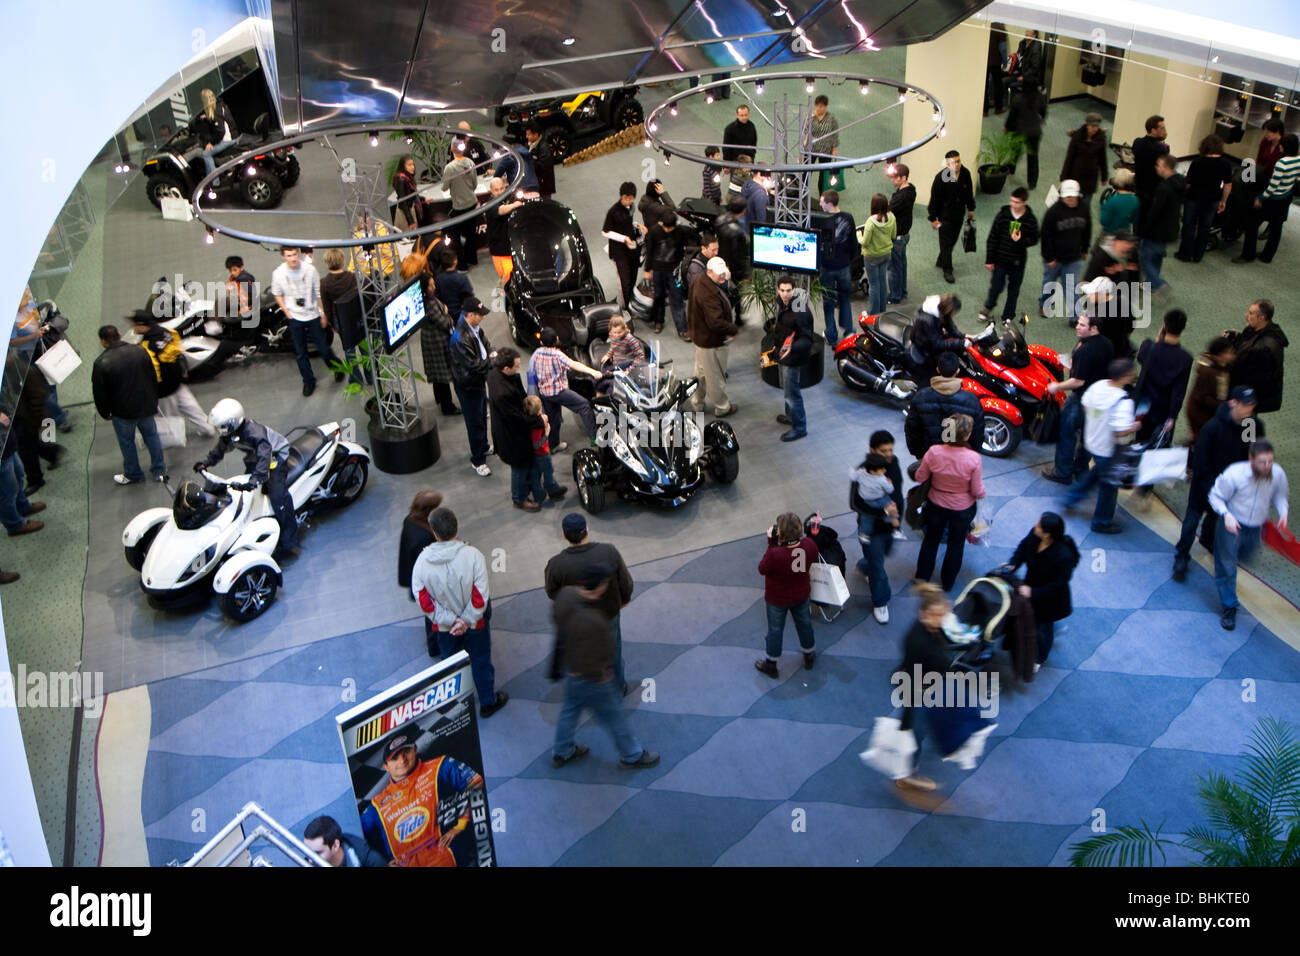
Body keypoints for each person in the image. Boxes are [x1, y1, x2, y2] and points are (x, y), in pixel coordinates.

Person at [550, 563, 658, 769]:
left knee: (570, 710)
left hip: (569, 667)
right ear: (599, 587)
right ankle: (632, 755)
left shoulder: (564, 596)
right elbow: (605, 654)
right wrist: (604, 675)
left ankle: (562, 751)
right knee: (614, 716)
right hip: (592, 678)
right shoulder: (595, 620)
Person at [411, 507, 508, 717]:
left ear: (434, 532)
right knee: (481, 661)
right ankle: (488, 702)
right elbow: (480, 597)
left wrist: (451, 621)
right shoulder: (474, 556)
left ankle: (457, 710)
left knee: (451, 666)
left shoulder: (420, 564)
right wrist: (465, 621)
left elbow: (426, 604)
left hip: (445, 629)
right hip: (476, 625)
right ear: (457, 527)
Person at [1173, 387, 1262, 582]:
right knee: (1191, 522)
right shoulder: (1212, 428)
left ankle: (1207, 540)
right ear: (1233, 403)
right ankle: (1181, 555)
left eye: (1252, 405)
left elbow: (1251, 453)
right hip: (1205, 486)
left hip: (1229, 487)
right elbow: (1201, 463)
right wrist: (1213, 489)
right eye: (1246, 405)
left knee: (1215, 519)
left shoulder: (1250, 425)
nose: (1249, 410)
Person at [360, 733, 486, 866]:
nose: (402, 760)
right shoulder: (377, 804)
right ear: (386, 767)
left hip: (449, 860)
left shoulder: (439, 766)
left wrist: (461, 825)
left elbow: (476, 784)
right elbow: (354, 837)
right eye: (395, 758)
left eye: (406, 752)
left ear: (415, 749)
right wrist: (382, 864)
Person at [545, 512, 634, 695]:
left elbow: (553, 592)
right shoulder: (609, 551)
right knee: (612, 651)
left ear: (564, 535)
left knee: (579, 654)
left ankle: (586, 691)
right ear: (587, 530)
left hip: (575, 620)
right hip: (609, 614)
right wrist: (624, 599)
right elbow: (625, 580)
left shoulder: (556, 564)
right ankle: (617, 688)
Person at [198, 398, 299, 557]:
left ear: (233, 422)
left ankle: (290, 542)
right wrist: (206, 463)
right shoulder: (231, 433)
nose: (220, 431)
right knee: (246, 492)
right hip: (255, 457)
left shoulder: (254, 433)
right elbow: (221, 448)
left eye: (222, 427)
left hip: (276, 457)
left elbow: (265, 457)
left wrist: (256, 479)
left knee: (278, 498)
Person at [1209, 440, 1288, 630]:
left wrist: (1283, 512)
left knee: (1244, 557)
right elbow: (1215, 495)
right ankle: (1229, 606)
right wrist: (1226, 515)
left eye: (1270, 461)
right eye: (1262, 462)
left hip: (1256, 527)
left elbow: (1280, 495)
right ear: (1251, 459)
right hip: (1232, 525)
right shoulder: (1234, 474)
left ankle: (1224, 561)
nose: (1267, 466)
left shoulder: (1277, 473)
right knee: (1227, 566)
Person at [1062, 358, 1139, 534]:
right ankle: (1102, 521)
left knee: (1096, 473)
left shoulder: (1098, 386)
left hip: (1091, 441)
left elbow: (1085, 407)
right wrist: (1134, 426)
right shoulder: (1123, 401)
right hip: (1108, 449)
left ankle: (1071, 498)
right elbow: (1120, 432)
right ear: (1125, 377)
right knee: (1109, 487)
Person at [914, 413, 986, 591]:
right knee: (956, 544)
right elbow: (977, 491)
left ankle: (922, 577)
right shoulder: (973, 459)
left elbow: (919, 477)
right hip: (962, 509)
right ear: (967, 435)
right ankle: (947, 583)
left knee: (931, 540)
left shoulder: (934, 452)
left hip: (935, 504)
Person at [1042, 311, 1115, 484]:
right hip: (1099, 402)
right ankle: (1081, 469)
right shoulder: (1106, 344)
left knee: (1066, 432)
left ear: (1094, 328)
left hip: (1081, 399)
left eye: (1082, 325)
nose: (1077, 327)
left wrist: (1057, 386)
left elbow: (1078, 382)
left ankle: (1062, 472)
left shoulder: (1086, 349)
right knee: (1088, 436)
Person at [92, 325, 167, 486]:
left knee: (127, 442)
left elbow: (100, 392)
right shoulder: (140, 351)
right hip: (145, 405)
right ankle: (159, 470)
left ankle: (133, 473)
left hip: (122, 412)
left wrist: (104, 413)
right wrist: (154, 399)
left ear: (103, 341)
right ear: (119, 335)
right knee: (152, 436)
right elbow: (152, 376)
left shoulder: (101, 363)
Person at [1006, 512, 1079, 666]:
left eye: (1039, 526)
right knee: (1033, 618)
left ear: (1048, 534)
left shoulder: (1063, 556)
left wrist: (1033, 592)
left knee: (1042, 629)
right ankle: (1055, 626)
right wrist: (1013, 563)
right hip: (1032, 585)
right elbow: (1023, 547)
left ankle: (1039, 659)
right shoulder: (1034, 535)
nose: (1035, 527)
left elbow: (1057, 585)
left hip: (1050, 600)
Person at [271, 246, 344, 398]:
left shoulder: (310, 271)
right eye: (289, 255)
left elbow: (318, 294)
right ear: (283, 256)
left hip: (312, 315)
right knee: (300, 352)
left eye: (294, 254)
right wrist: (286, 310)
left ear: (298, 254)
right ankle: (308, 381)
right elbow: (277, 293)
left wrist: (323, 314)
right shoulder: (278, 274)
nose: (292, 258)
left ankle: (338, 368)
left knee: (324, 348)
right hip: (295, 317)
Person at [129, 311, 215, 439]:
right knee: (193, 409)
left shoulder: (147, 346)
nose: (133, 327)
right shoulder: (165, 332)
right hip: (178, 382)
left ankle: (175, 440)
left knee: (171, 419)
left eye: (135, 324)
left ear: (142, 325)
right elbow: (178, 350)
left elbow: (153, 372)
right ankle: (209, 429)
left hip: (165, 391)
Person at [755, 512, 819, 677]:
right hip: (801, 594)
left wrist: (771, 542)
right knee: (804, 624)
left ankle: (771, 664)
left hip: (777, 599)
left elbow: (762, 569)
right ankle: (809, 654)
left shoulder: (775, 554)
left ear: (780, 533)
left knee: (775, 630)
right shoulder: (810, 545)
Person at [851, 430, 905, 624]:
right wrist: (883, 513)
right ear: (871, 450)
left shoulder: (894, 462)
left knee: (882, 554)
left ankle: (865, 566)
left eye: (891, 449)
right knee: (878, 566)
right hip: (871, 527)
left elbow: (897, 491)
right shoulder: (864, 471)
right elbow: (855, 503)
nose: (889, 454)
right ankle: (881, 602)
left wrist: (897, 516)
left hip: (891, 524)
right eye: (884, 451)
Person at [487, 349, 544, 512]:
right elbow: (516, 418)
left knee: (526, 462)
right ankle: (519, 498)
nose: (519, 368)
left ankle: (531, 488)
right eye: (517, 365)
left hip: (511, 429)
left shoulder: (494, 373)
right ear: (506, 368)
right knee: (519, 466)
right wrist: (539, 421)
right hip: (511, 435)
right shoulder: (503, 392)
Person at [529, 327, 599, 451]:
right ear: (556, 340)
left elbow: (531, 373)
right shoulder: (557, 355)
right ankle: (594, 438)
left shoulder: (536, 354)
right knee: (584, 406)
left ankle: (552, 445)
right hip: (559, 392)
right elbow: (574, 364)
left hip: (544, 393)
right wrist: (593, 372)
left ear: (541, 342)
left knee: (552, 419)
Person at [1235, 132, 1300, 264]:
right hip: (1286, 198)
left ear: (1285, 147)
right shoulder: (1298, 160)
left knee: (1252, 224)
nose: (1279, 147)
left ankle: (1248, 255)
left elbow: (1273, 186)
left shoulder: (1282, 163)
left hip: (1273, 200)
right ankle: (1267, 256)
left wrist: (1260, 198)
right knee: (1276, 228)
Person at [905, 351, 985, 458]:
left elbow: (912, 430)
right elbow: (978, 435)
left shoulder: (920, 397)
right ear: (958, 371)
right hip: (959, 458)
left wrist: (919, 454)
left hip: (929, 457)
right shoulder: (972, 400)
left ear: (938, 369)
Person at [687, 257, 740, 417]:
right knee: (715, 376)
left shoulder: (700, 280)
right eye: (719, 274)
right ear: (709, 271)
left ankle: (697, 403)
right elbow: (715, 322)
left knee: (701, 373)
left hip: (700, 338)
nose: (723, 276)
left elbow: (725, 276)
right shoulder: (708, 294)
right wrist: (732, 329)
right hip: (711, 342)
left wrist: (724, 274)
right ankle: (722, 407)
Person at [448, 297, 495, 476]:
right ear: (470, 315)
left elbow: (487, 344)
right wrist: (492, 361)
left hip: (477, 382)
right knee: (474, 423)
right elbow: (474, 365)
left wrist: (491, 353)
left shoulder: (475, 328)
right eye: (480, 315)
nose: (482, 318)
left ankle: (482, 446)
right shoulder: (460, 338)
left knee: (482, 416)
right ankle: (478, 460)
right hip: (468, 386)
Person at [1134, 309, 1193, 445]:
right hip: (1164, 408)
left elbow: (1140, 359)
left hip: (1144, 403)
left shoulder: (1148, 346)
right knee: (1159, 446)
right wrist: (1172, 416)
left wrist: (1157, 341)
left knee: (1140, 441)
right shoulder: (1185, 358)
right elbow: (1179, 390)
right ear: (1184, 327)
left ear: (1164, 325)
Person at [981, 186, 1039, 321]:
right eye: (1012, 201)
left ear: (1024, 203)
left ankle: (1008, 316)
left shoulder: (1030, 219)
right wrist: (989, 259)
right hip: (1001, 259)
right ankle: (988, 307)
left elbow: (1034, 238)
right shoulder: (1003, 215)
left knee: (1014, 290)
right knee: (996, 286)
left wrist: (1021, 240)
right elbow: (993, 237)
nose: (1013, 204)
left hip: (1018, 261)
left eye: (1017, 202)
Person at [397, 489, 444, 656]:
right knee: (432, 615)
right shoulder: (423, 537)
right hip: (427, 583)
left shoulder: (410, 520)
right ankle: (435, 646)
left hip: (415, 577)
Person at [319, 247, 371, 390]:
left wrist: (331, 323)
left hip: (341, 321)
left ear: (327, 263)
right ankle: (370, 376)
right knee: (365, 349)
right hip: (357, 317)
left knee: (349, 351)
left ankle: (356, 379)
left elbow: (327, 306)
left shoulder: (324, 283)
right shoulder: (352, 277)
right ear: (342, 261)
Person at [1038, 179, 1091, 319]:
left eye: (1072, 196)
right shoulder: (1053, 212)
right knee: (1049, 283)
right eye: (1067, 196)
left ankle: (1075, 317)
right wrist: (1049, 258)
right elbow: (1045, 236)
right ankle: (1045, 305)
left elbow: (1087, 230)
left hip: (1073, 258)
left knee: (1071, 288)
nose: (1070, 199)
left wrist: (1085, 249)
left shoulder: (1084, 209)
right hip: (1054, 259)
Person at [1176, 134, 1233, 262]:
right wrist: (1223, 201)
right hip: (1212, 199)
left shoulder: (1197, 162)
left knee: (1189, 225)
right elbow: (1228, 185)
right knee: (1205, 227)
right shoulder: (1225, 164)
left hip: (1194, 198)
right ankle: (1198, 255)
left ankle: (1184, 254)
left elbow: (1188, 183)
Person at [1082, 230, 1140, 358]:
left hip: (1110, 352)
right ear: (1115, 241)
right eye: (1125, 242)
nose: (1128, 246)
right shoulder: (1101, 257)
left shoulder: (1132, 255)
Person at [1226, 299, 1288, 414]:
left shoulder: (1264, 349)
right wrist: (1236, 339)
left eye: (1250, 313)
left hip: (1249, 400)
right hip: (1247, 396)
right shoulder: (1259, 329)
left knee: (1245, 427)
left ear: (1262, 317)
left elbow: (1245, 372)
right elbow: (1247, 345)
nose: (1246, 315)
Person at [773, 275, 813, 441]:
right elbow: (782, 327)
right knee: (787, 389)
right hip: (783, 354)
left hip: (793, 358)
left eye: (788, 290)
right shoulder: (781, 302)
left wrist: (791, 348)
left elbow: (807, 339)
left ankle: (800, 428)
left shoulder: (800, 309)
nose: (785, 294)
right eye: (782, 290)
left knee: (792, 393)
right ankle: (791, 416)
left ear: (794, 289)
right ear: (778, 290)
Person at [1137, 153, 1183, 298]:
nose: (1156, 167)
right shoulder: (1180, 182)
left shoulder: (1163, 188)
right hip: (1170, 229)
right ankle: (1150, 285)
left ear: (1165, 167)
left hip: (1156, 230)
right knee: (1156, 257)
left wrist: (1142, 229)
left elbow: (1155, 212)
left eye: (1158, 165)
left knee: (1144, 258)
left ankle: (1158, 284)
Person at [927, 150, 976, 284]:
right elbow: (935, 199)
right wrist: (933, 218)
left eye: (959, 161)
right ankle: (947, 270)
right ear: (948, 164)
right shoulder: (940, 178)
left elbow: (969, 192)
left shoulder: (966, 174)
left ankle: (941, 258)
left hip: (958, 214)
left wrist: (971, 208)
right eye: (954, 162)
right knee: (946, 243)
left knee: (952, 240)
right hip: (944, 216)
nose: (958, 164)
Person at [817, 189, 857, 345]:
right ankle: (849, 332)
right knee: (844, 299)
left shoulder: (822, 220)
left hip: (826, 268)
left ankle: (831, 335)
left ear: (829, 204)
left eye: (822, 201)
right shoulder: (848, 218)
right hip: (844, 266)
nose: (819, 204)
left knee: (828, 302)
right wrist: (848, 259)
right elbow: (854, 243)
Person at [417, 273, 459, 416]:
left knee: (437, 375)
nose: (434, 287)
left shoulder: (425, 300)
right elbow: (444, 323)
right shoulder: (430, 305)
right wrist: (447, 314)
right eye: (431, 285)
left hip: (431, 341)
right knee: (442, 376)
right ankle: (448, 407)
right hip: (437, 344)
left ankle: (439, 399)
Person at [0, 408, 46, 537]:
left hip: (6, 442)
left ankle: (22, 505)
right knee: (6, 492)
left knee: (18, 475)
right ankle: (15, 525)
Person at [601, 181, 645, 308]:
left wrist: (637, 225)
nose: (629, 201)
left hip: (631, 250)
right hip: (619, 252)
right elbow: (605, 231)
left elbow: (627, 223)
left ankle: (629, 303)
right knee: (624, 281)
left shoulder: (631, 207)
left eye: (631, 199)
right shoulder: (613, 212)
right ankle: (625, 308)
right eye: (626, 198)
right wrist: (623, 238)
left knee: (632, 278)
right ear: (621, 196)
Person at [643, 209, 687, 337]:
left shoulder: (680, 232)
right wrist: (647, 269)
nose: (667, 230)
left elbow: (681, 250)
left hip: (673, 271)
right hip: (657, 270)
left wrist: (679, 267)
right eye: (665, 228)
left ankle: (682, 328)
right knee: (658, 296)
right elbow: (650, 251)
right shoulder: (655, 231)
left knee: (677, 299)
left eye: (670, 228)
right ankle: (658, 321)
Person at [1183, 336, 1235, 440]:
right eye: (1230, 352)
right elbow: (1202, 397)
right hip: (1201, 416)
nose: (1233, 355)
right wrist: (1224, 405)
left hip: (1208, 413)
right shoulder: (1208, 373)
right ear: (1220, 355)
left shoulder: (1220, 366)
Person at [909, 292, 967, 381]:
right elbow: (937, 345)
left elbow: (949, 326)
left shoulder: (940, 311)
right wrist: (961, 342)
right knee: (939, 369)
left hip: (932, 339)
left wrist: (963, 336)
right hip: (924, 348)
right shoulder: (928, 320)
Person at [442, 140, 480, 267]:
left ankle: (462, 264)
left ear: (452, 149)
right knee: (471, 234)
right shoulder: (470, 163)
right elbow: (475, 184)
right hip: (472, 203)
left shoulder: (450, 168)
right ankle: (472, 259)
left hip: (458, 207)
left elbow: (444, 187)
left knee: (456, 236)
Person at [523, 394, 566, 505]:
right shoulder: (537, 426)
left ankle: (539, 495)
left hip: (533, 455)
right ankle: (552, 489)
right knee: (548, 472)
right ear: (538, 411)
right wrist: (547, 433)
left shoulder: (528, 422)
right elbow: (537, 444)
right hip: (542, 453)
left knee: (535, 475)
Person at [860, 193, 897, 316]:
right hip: (886, 254)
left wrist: (858, 235)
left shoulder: (871, 222)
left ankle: (873, 312)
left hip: (871, 257)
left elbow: (865, 242)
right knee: (882, 282)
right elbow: (893, 235)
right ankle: (882, 310)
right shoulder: (892, 217)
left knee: (874, 285)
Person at [1060, 113, 1108, 206]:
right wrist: (1064, 176)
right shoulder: (1077, 137)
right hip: (1076, 175)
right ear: (1087, 125)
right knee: (1073, 203)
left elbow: (1103, 158)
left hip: (1091, 177)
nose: (1095, 129)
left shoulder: (1101, 138)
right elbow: (1069, 157)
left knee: (1085, 205)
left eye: (1097, 126)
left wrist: (1104, 176)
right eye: (1092, 126)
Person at [303, 815, 387, 868]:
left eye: (318, 853)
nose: (310, 860)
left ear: (335, 845)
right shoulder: (307, 863)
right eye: (308, 852)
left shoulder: (372, 862)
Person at [1004, 85, 1046, 189]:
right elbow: (1043, 110)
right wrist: (1042, 119)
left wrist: (1007, 127)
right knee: (1033, 156)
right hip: (1034, 132)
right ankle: (1032, 182)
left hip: (1020, 130)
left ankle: (1011, 168)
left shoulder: (1018, 98)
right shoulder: (1040, 97)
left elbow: (1012, 116)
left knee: (1015, 150)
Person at [485, 177, 525, 286]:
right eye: (496, 190)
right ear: (491, 191)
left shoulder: (509, 197)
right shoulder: (490, 204)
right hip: (499, 249)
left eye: (502, 188)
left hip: (511, 245)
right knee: (506, 277)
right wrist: (514, 205)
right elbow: (500, 211)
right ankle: (502, 295)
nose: (499, 192)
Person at [191, 89, 239, 179]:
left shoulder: (216, 111)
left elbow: (221, 132)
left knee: (206, 154)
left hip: (228, 139)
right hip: (233, 135)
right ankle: (210, 179)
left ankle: (215, 180)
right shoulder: (220, 105)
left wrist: (211, 143)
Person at [886, 165, 916, 304]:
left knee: (894, 267)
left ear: (903, 178)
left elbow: (888, 209)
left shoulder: (901, 197)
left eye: (895, 177)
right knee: (902, 264)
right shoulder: (911, 190)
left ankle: (895, 295)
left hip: (897, 236)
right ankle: (902, 291)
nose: (892, 180)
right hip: (905, 234)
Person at [1131, 115, 1170, 208]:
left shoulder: (1137, 142)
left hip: (1139, 184)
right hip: (1153, 188)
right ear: (1153, 130)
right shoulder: (1162, 148)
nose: (1165, 130)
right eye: (1162, 128)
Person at [807, 95, 842, 194]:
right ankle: (803, 192)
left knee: (823, 174)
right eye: (817, 106)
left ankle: (822, 194)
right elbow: (804, 131)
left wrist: (834, 148)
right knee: (806, 172)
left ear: (826, 107)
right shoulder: (811, 117)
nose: (819, 108)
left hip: (826, 150)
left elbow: (835, 134)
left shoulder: (831, 119)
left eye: (821, 106)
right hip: (811, 149)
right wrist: (808, 120)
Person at [715, 196, 751, 285]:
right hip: (734, 270)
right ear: (743, 211)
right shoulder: (737, 233)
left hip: (720, 260)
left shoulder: (719, 220)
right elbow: (738, 256)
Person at [433, 247, 474, 318]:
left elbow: (437, 295)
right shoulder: (462, 278)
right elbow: (469, 296)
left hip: (446, 313)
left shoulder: (439, 278)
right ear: (455, 261)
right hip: (461, 313)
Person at [392, 155, 430, 230]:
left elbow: (412, 195)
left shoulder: (407, 178)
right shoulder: (401, 179)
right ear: (403, 166)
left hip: (413, 210)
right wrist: (410, 221)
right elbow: (403, 201)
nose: (412, 167)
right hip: (408, 213)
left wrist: (423, 199)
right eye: (409, 165)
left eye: (413, 164)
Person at [1099, 169, 1140, 237]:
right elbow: (1133, 219)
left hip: (1110, 233)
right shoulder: (1136, 200)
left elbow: (1104, 221)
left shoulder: (1112, 201)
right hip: (1124, 234)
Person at [523, 122, 555, 198]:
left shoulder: (544, 148)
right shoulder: (528, 144)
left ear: (536, 134)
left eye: (529, 135)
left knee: (544, 203)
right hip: (533, 182)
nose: (526, 137)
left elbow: (543, 166)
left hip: (543, 185)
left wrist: (529, 161)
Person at [223, 256, 257, 323]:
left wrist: (246, 307)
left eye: (235, 270)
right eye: (230, 271)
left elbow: (251, 294)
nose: (232, 273)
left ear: (241, 268)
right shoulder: (234, 278)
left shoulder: (244, 278)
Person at [985, 22, 1009, 116]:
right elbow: (1002, 48)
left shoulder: (988, 25)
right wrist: (1005, 62)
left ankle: (984, 110)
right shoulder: (1001, 28)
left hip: (985, 61)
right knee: (998, 85)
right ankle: (998, 108)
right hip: (995, 62)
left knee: (985, 86)